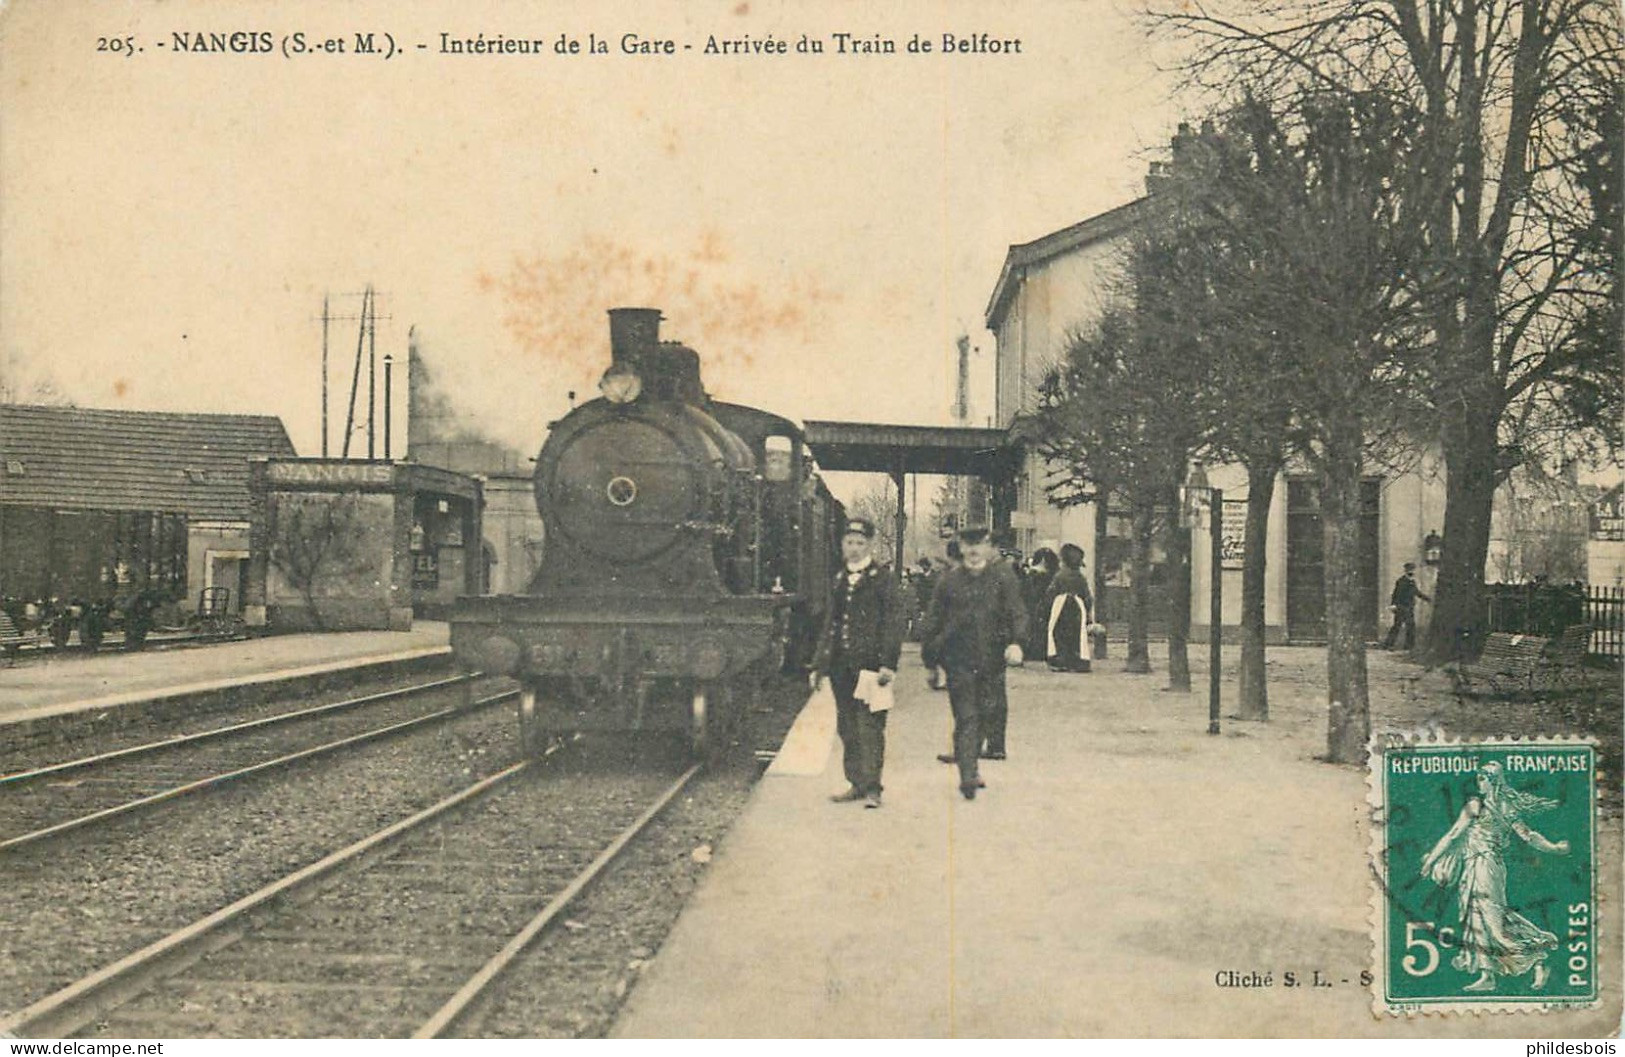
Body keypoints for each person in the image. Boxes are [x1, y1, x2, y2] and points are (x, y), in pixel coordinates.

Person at [1419, 761, 1569, 992]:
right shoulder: (1505, 807)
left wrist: (1430, 861)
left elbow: (1453, 835)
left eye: (1483, 778)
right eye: (1479, 777)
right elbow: (1529, 836)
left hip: (1485, 866)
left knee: (1492, 921)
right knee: (1478, 917)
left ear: (1493, 781)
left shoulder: (1476, 805)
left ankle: (1538, 957)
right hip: (1478, 866)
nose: (1479, 782)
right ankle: (1487, 975)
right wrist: (1554, 848)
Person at [920, 526, 1028, 799]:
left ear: (989, 547)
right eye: (968, 546)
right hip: (958, 662)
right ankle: (968, 775)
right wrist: (930, 661)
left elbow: (1018, 613)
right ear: (961, 548)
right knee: (966, 716)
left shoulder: (1003, 579)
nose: (974, 552)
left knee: (984, 715)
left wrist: (1017, 642)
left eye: (979, 545)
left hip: (992, 662)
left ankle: (972, 766)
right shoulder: (949, 582)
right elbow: (933, 622)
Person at [810, 517, 903, 809]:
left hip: (871, 668)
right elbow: (830, 624)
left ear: (870, 545)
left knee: (870, 727)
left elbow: (893, 623)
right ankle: (856, 783)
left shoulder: (882, 579)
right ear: (842, 545)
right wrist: (818, 664)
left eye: (860, 543)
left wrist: (888, 662)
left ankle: (873, 787)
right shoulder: (839, 579)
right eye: (849, 542)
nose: (854, 548)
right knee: (847, 726)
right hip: (841, 667)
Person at [1043, 543, 1094, 672]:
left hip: (1060, 607)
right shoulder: (1080, 577)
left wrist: (1047, 607)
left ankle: (1060, 661)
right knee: (1076, 635)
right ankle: (1076, 661)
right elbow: (1087, 596)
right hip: (1077, 608)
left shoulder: (1059, 575)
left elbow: (1050, 593)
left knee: (1059, 634)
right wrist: (1087, 610)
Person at [1383, 562, 1431, 650]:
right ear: (1406, 571)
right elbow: (1396, 594)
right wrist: (1394, 605)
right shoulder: (1401, 581)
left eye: (1413, 570)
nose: (1411, 571)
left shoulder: (1412, 581)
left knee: (1411, 627)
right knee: (1397, 626)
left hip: (1409, 607)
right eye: (1410, 570)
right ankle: (1388, 644)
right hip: (1401, 607)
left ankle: (1408, 646)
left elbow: (1416, 592)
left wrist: (1427, 599)